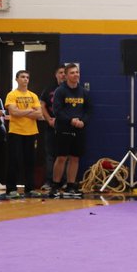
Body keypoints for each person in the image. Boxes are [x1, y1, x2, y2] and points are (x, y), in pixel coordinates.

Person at [49, 63, 91, 198]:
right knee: (61, 157)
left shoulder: (83, 91)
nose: (75, 75)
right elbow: (57, 110)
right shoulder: (60, 91)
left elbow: (88, 110)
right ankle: (55, 185)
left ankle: (71, 186)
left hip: (79, 129)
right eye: (72, 73)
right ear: (66, 76)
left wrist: (82, 121)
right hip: (64, 128)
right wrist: (70, 120)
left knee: (75, 158)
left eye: (77, 72)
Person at [3, 70, 41, 200]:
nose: (25, 79)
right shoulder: (12, 95)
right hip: (16, 132)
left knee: (30, 161)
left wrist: (22, 112)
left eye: (27, 77)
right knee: (14, 161)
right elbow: (13, 112)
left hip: (31, 132)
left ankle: (30, 188)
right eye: (22, 77)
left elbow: (39, 114)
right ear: (17, 79)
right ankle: (11, 189)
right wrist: (30, 110)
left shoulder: (33, 96)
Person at [37, 64, 65, 193]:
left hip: (66, 126)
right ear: (56, 74)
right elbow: (42, 105)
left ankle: (63, 182)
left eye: (65, 72)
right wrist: (48, 119)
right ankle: (49, 181)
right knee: (50, 155)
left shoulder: (70, 90)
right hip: (51, 126)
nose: (63, 75)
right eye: (60, 72)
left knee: (65, 155)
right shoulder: (49, 89)